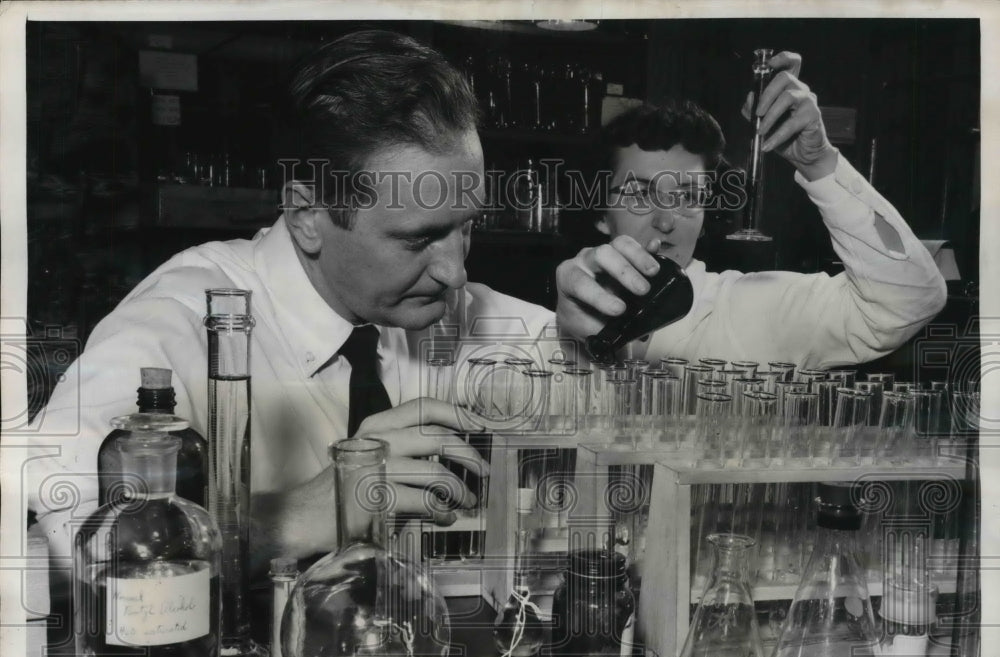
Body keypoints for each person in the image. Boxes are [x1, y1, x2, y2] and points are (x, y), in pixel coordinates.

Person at [27, 30, 556, 574]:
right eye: (418, 238)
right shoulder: (179, 322)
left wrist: (601, 322)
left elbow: (599, 374)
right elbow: (73, 542)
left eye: (466, 228)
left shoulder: (442, 305)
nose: (455, 271)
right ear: (307, 216)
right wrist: (293, 516)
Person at [555, 51, 947, 368]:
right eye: (641, 194)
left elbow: (909, 300)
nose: (666, 220)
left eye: (689, 196)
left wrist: (819, 162)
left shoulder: (754, 308)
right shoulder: (554, 320)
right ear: (601, 214)